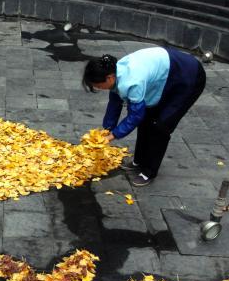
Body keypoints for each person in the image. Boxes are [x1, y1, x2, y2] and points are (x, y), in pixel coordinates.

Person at [82, 47, 206, 187]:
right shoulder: (115, 71)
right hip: (168, 74)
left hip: (189, 77)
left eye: (98, 85)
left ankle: (149, 171)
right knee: (147, 118)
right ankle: (139, 161)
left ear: (109, 77)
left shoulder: (132, 81)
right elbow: (114, 102)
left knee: (160, 126)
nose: (99, 88)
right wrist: (106, 129)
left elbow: (135, 115)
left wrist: (113, 135)